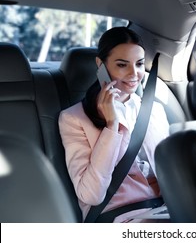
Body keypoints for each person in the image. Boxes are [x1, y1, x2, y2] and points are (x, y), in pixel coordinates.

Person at [59, 27, 170, 222]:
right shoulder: (73, 119)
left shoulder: (155, 110)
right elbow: (91, 195)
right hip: (120, 216)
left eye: (139, 64)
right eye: (122, 65)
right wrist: (112, 126)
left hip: (168, 208)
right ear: (100, 65)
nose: (134, 73)